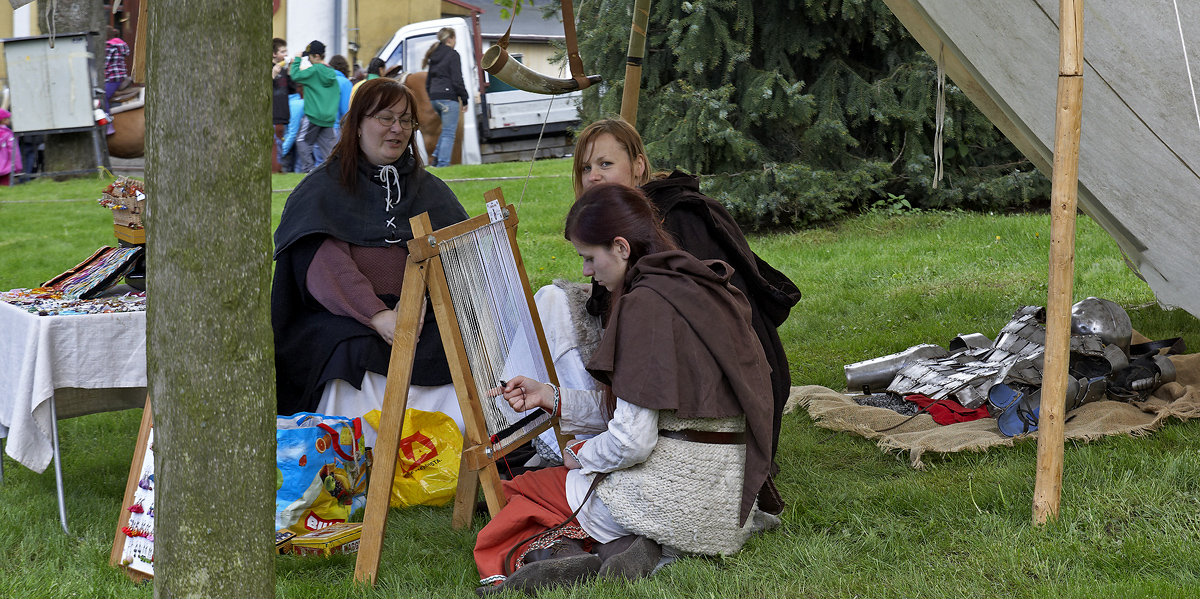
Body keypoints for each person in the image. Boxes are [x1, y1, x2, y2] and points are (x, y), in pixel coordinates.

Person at [473, 184, 778, 595]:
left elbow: (632, 440)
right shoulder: (692, 283)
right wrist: (551, 397)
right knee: (563, 486)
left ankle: (566, 555)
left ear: (620, 247)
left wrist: (582, 456)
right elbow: (653, 408)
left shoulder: (644, 305)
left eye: (589, 257)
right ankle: (631, 548)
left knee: (524, 493)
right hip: (727, 497)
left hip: (679, 502)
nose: (586, 271)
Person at [572, 118, 801, 461]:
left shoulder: (677, 218)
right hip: (686, 405)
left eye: (605, 164)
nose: (593, 176)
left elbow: (718, 326)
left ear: (638, 166)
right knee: (553, 300)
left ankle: (591, 438)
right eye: (586, 168)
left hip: (724, 418)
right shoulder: (616, 227)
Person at [271, 78, 470, 441]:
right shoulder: (322, 189)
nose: (397, 129)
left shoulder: (430, 190)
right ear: (358, 124)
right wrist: (377, 315)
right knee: (350, 347)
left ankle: (450, 442)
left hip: (420, 311)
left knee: (456, 337)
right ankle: (359, 447)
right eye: (386, 118)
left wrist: (422, 302)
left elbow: (458, 255)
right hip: (345, 315)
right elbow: (325, 265)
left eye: (406, 120)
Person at [289, 40, 340, 173]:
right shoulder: (332, 72)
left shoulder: (314, 70)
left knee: (302, 141)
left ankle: (309, 171)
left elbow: (295, 75)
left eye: (310, 57)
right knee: (329, 151)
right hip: (329, 118)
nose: (309, 60)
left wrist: (297, 59)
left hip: (313, 116)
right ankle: (333, 174)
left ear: (316, 56)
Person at [422, 27, 469, 167]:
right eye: (455, 39)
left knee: (446, 129)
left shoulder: (434, 55)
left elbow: (428, 82)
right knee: (449, 133)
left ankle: (436, 158)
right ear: (450, 39)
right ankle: (443, 165)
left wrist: (433, 95)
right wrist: (464, 99)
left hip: (435, 98)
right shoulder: (453, 54)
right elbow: (457, 80)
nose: (455, 42)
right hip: (448, 97)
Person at [272, 38, 292, 173]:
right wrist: (273, 75)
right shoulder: (270, 69)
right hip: (274, 115)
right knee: (275, 146)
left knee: (280, 144)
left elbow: (292, 90)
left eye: (286, 51)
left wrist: (289, 72)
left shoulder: (284, 70)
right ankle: (276, 170)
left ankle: (278, 170)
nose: (286, 54)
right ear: (274, 54)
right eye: (282, 52)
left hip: (283, 115)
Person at [327, 55, 354, 135]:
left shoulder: (325, 80)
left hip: (320, 126)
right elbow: (345, 110)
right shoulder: (345, 83)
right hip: (336, 128)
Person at [0, 108, 23, 186]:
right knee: (6, 187)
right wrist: (18, 167)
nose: (9, 120)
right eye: (8, 118)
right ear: (3, 120)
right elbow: (14, 151)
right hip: (6, 169)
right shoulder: (8, 134)